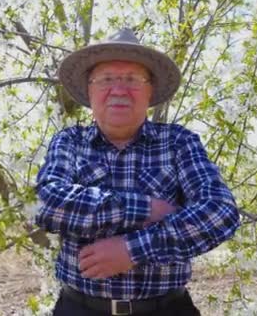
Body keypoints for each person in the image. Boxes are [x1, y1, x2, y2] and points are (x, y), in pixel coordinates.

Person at [35, 28, 240, 316]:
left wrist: (134, 249)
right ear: (89, 91)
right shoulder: (70, 141)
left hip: (168, 309)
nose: (118, 89)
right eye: (106, 79)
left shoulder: (179, 142)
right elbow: (49, 204)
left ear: (150, 91)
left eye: (132, 79)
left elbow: (220, 213)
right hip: (78, 308)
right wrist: (143, 209)